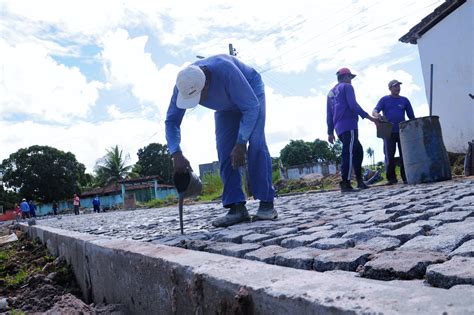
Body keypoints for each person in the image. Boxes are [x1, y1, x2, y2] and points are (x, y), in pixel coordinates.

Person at [165, 54, 276, 228]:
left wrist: (241, 142)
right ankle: (236, 207)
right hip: (225, 108)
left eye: (200, 97)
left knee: (256, 143)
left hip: (251, 93)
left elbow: (251, 107)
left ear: (207, 85)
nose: (199, 103)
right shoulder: (183, 84)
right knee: (225, 150)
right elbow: (172, 121)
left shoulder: (225, 70)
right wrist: (175, 152)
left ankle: (266, 203)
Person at [326, 67, 379, 192]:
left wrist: (330, 131)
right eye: (350, 77)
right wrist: (370, 118)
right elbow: (353, 105)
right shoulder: (347, 87)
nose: (351, 80)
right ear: (346, 77)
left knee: (358, 150)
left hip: (339, 127)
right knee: (348, 153)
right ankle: (346, 182)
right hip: (349, 124)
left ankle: (360, 181)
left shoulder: (330, 93)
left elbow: (329, 113)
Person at [373, 80, 415, 185]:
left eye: (398, 86)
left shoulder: (405, 100)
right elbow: (375, 110)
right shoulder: (384, 100)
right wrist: (377, 115)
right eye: (395, 86)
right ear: (390, 88)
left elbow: (411, 117)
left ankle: (406, 177)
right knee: (389, 155)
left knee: (404, 155)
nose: (397, 88)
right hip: (389, 132)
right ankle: (391, 179)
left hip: (403, 132)